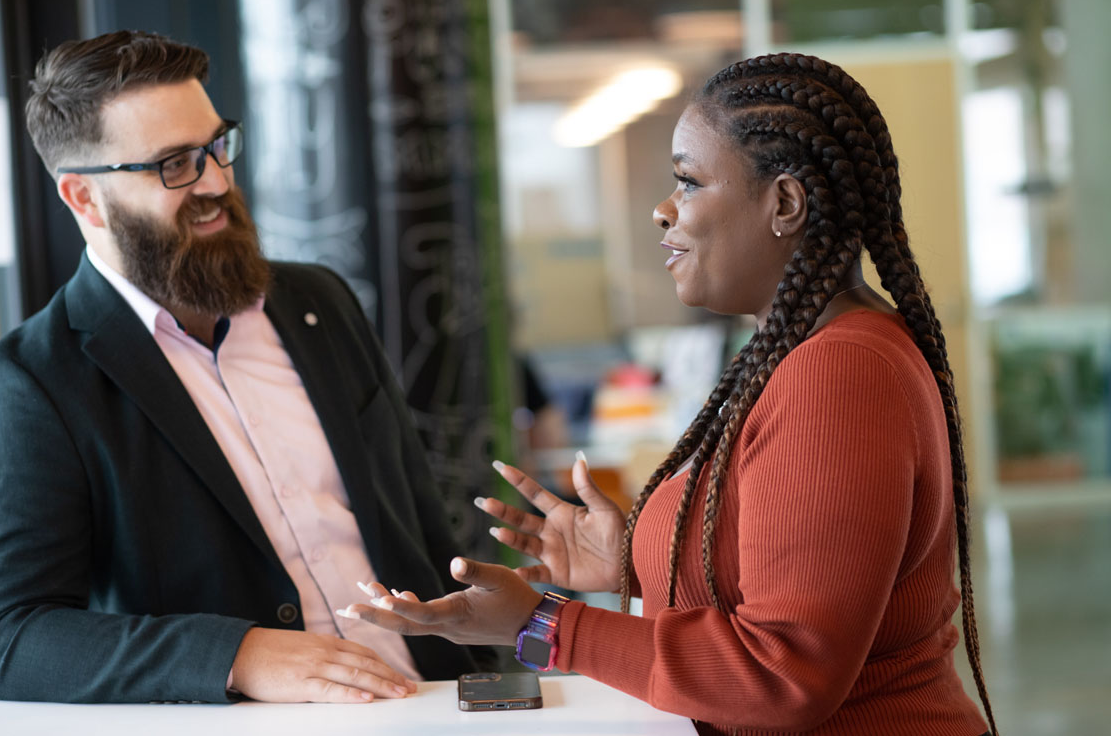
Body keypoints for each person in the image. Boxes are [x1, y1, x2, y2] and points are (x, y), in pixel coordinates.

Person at [343, 53, 999, 735]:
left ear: (784, 203)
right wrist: (636, 560)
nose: (663, 211)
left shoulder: (840, 373)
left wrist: (544, 623)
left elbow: (783, 674)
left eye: (688, 182)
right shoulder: (809, 351)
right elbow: (781, 573)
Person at [0, 30, 492, 704]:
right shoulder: (35, 380)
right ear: (84, 199)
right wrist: (235, 655)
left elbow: (417, 522)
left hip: (436, 703)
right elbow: (6, 640)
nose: (214, 181)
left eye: (216, 147)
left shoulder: (318, 303)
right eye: (173, 165)